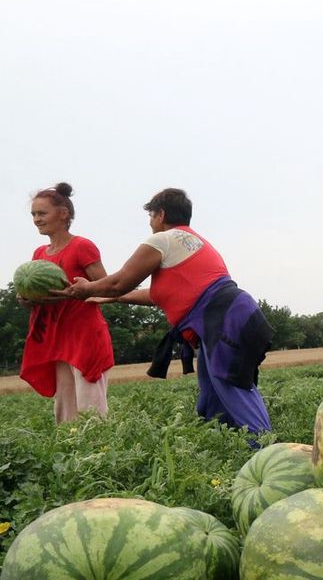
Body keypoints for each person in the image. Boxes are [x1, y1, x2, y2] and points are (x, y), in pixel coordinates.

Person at [60, 188, 272, 437]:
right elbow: (158, 294)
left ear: (160, 214)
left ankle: (267, 451)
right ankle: (228, 449)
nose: (150, 223)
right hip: (234, 315)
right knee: (212, 399)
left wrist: (87, 288)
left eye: (151, 216)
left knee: (233, 388)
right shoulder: (193, 240)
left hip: (223, 321)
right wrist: (113, 297)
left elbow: (119, 281)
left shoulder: (162, 240)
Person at [19, 183, 115, 423]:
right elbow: (40, 295)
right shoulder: (39, 254)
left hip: (84, 334)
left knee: (90, 404)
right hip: (57, 337)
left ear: (63, 214)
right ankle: (71, 455)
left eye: (42, 213)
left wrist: (80, 292)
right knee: (65, 407)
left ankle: (100, 455)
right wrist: (27, 298)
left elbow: (108, 287)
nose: (36, 219)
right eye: (33, 214)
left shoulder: (82, 246)